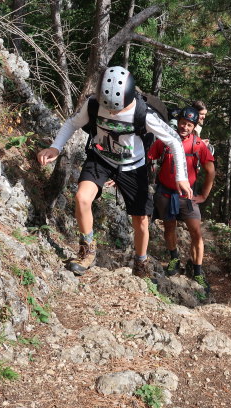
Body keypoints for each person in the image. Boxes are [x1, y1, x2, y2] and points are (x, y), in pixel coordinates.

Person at [36, 66, 192, 278]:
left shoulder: (142, 113)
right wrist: (56, 147)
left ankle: (140, 263)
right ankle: (87, 250)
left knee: (141, 221)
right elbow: (72, 123)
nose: (112, 113)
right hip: (100, 158)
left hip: (133, 167)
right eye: (108, 109)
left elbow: (173, 140)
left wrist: (181, 177)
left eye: (117, 110)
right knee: (82, 197)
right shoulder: (93, 105)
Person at [148, 106, 215, 295]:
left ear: (194, 126)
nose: (185, 127)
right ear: (178, 122)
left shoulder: (198, 145)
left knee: (196, 233)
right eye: (183, 123)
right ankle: (174, 258)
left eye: (189, 125)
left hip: (187, 196)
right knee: (169, 227)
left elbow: (210, 170)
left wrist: (203, 195)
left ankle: (197, 270)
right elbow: (149, 157)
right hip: (166, 193)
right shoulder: (166, 140)